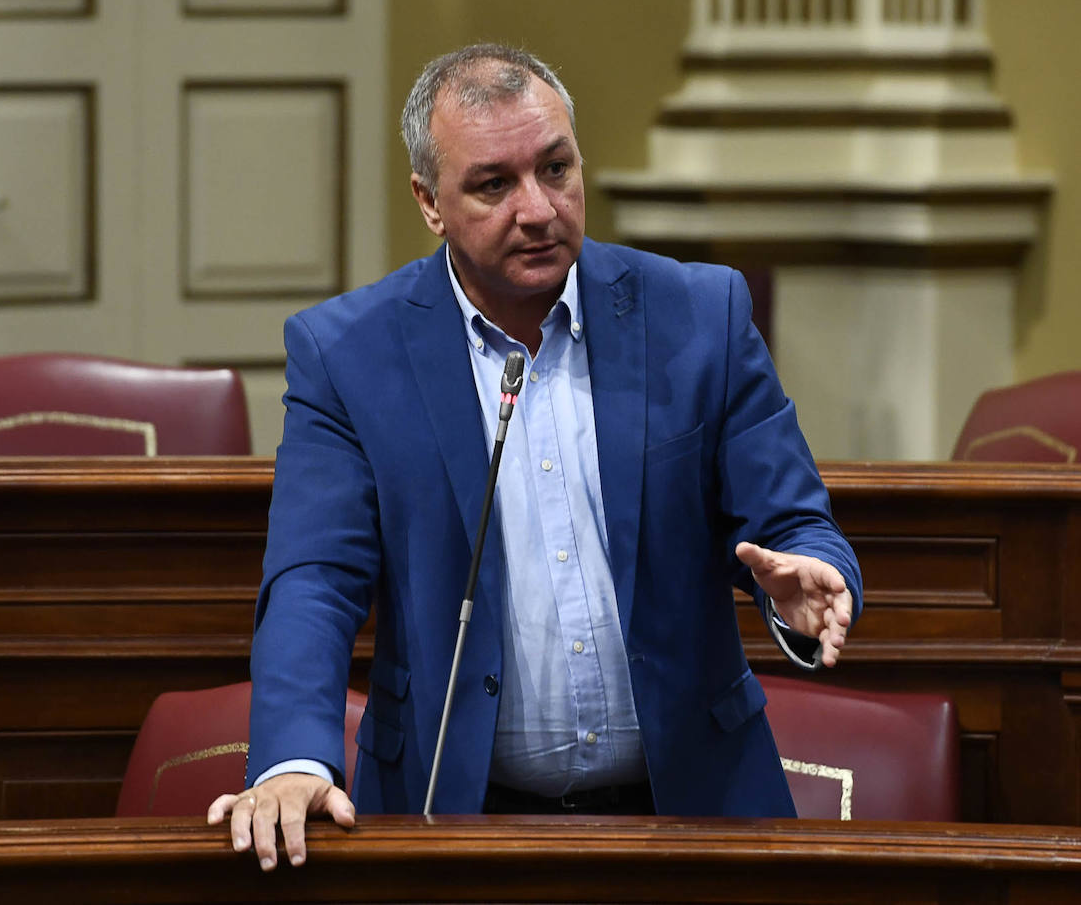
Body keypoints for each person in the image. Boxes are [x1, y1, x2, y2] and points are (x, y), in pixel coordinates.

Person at [208, 43, 861, 871]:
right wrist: (295, 759)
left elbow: (795, 521)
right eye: (494, 184)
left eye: (556, 168)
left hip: (694, 815)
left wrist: (806, 579)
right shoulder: (347, 353)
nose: (540, 208)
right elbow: (313, 578)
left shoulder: (702, 313)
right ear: (429, 202)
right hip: (455, 819)